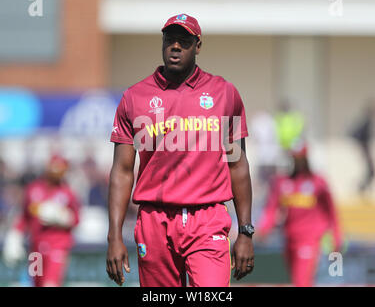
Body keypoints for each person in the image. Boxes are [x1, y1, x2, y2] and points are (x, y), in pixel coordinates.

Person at [106, 14, 255, 287]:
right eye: (170, 40)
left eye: (184, 41)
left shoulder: (224, 93)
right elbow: (122, 170)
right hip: (154, 219)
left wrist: (245, 231)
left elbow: (237, 164)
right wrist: (114, 235)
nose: (176, 46)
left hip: (208, 218)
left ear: (197, 46)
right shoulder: (134, 97)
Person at [256, 142, 342, 287]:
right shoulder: (282, 183)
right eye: (295, 158)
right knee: (295, 280)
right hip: (289, 239)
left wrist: (336, 236)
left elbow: (331, 211)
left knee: (302, 282)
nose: (298, 162)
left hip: (310, 240)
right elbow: (271, 208)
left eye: (300, 158)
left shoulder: (318, 183)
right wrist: (263, 229)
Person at [2, 155, 80, 287]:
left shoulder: (67, 193)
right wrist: (15, 235)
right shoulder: (33, 190)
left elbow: (76, 219)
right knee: (36, 283)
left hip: (57, 246)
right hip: (35, 249)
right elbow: (24, 217)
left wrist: (63, 218)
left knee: (50, 284)